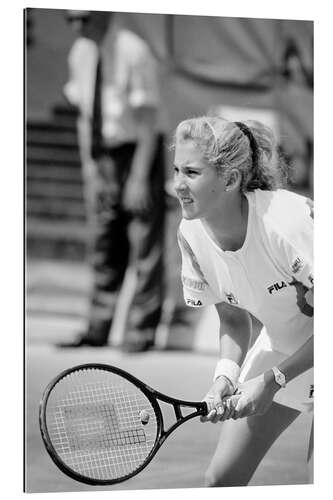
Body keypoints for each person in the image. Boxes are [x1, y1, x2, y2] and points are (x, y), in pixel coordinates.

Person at [173, 116, 313, 486]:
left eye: (191, 172)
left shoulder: (286, 222)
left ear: (231, 179)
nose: (177, 185)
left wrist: (273, 380)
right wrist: (225, 378)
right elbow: (233, 319)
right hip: (288, 347)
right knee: (221, 481)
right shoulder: (190, 233)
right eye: (176, 170)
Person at [57, 11, 165, 352]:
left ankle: (140, 329)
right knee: (104, 241)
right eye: (70, 19)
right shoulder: (81, 53)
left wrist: (138, 176)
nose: (78, 26)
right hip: (103, 153)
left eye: (84, 18)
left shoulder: (134, 50)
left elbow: (148, 120)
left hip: (137, 151)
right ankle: (97, 326)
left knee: (144, 239)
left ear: (104, 12)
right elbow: (85, 118)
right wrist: (90, 170)